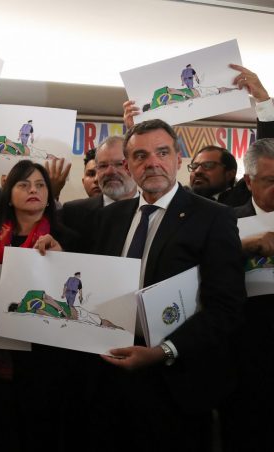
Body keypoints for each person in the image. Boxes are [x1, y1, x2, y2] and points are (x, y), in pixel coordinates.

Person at [88, 119, 244, 452]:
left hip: (177, 381)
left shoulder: (214, 217)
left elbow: (226, 307)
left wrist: (163, 352)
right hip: (110, 377)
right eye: (141, 155)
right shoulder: (109, 218)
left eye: (162, 152)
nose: (152, 163)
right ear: (129, 165)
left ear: (178, 158)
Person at [0, 159, 80, 451]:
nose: (33, 190)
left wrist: (61, 260)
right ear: (9, 194)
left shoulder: (68, 238)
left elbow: (76, 296)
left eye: (40, 185)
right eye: (23, 184)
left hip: (47, 359)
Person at [220, 138, 274, 451]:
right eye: (270, 181)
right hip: (242, 355)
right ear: (249, 181)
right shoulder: (224, 220)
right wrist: (244, 247)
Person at [62, 136, 137, 240]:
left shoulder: (152, 212)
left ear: (136, 165)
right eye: (103, 166)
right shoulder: (72, 213)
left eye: (120, 164)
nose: (110, 171)